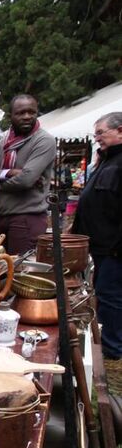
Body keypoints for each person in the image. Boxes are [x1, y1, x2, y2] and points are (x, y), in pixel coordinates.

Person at [71, 111, 122, 393]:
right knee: (106, 295)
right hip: (101, 247)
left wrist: (116, 248)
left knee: (112, 298)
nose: (97, 138)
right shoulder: (107, 160)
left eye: (101, 133)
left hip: (114, 250)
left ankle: (114, 353)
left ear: (120, 131)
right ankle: (111, 345)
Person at [0, 94, 57, 255]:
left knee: (20, 273)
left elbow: (25, 180)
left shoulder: (44, 141)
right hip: (3, 217)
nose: (27, 117)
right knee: (3, 274)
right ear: (11, 116)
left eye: (31, 112)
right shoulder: (5, 143)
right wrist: (10, 172)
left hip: (27, 218)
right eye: (20, 113)